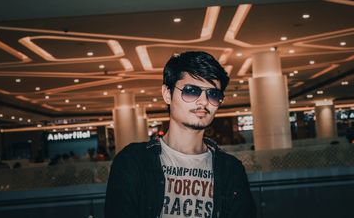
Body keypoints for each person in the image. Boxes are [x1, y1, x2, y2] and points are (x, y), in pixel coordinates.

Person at [105, 51, 256, 218]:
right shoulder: (133, 162)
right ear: (167, 94)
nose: (204, 102)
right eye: (191, 91)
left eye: (213, 94)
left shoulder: (231, 170)